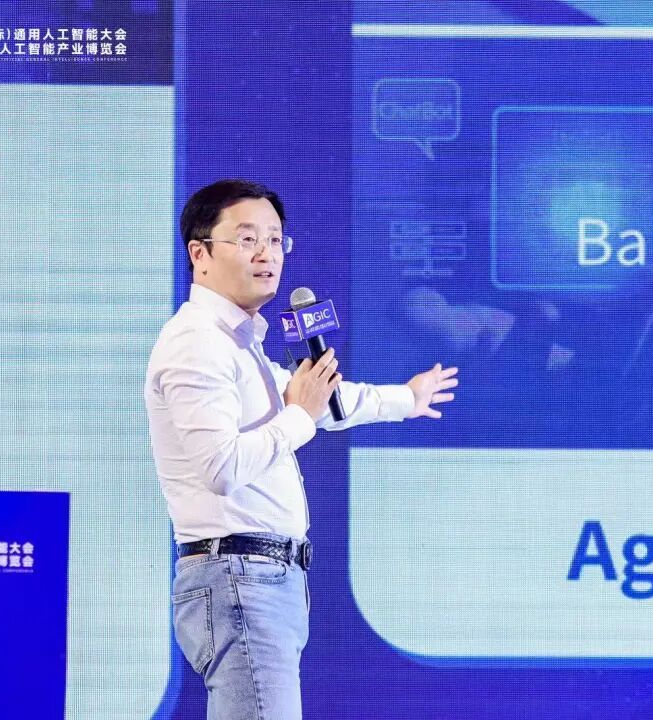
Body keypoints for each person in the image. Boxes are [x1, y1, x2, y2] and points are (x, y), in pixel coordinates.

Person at [144, 179, 458, 719]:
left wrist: (406, 398)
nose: (266, 254)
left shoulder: (238, 343)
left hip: (262, 575)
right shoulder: (198, 343)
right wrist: (298, 416)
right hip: (238, 572)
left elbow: (319, 400)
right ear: (200, 253)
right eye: (247, 239)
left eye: (275, 240)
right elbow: (222, 467)